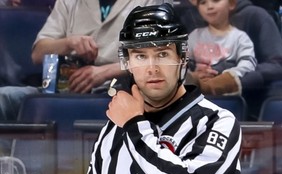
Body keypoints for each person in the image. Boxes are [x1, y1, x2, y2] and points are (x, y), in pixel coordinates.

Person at [76, 3, 241, 174]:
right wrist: (130, 123)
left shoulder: (217, 122)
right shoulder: (114, 127)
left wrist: (135, 125)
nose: (152, 68)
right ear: (128, 62)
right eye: (141, 56)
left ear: (182, 58)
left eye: (162, 54)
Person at [0, 0, 172, 121]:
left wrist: (105, 72)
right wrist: (69, 42)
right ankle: (10, 165)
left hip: (120, 88)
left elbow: (159, 56)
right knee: (4, 98)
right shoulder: (69, 2)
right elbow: (38, 54)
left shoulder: (152, 2)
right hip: (65, 87)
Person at [187, 0, 257, 95]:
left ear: (231, 4)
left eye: (216, 0)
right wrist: (193, 76)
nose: (210, 6)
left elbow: (248, 64)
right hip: (196, 91)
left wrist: (226, 76)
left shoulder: (240, 37)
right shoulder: (194, 36)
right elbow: (182, 63)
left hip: (226, 93)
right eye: (203, 2)